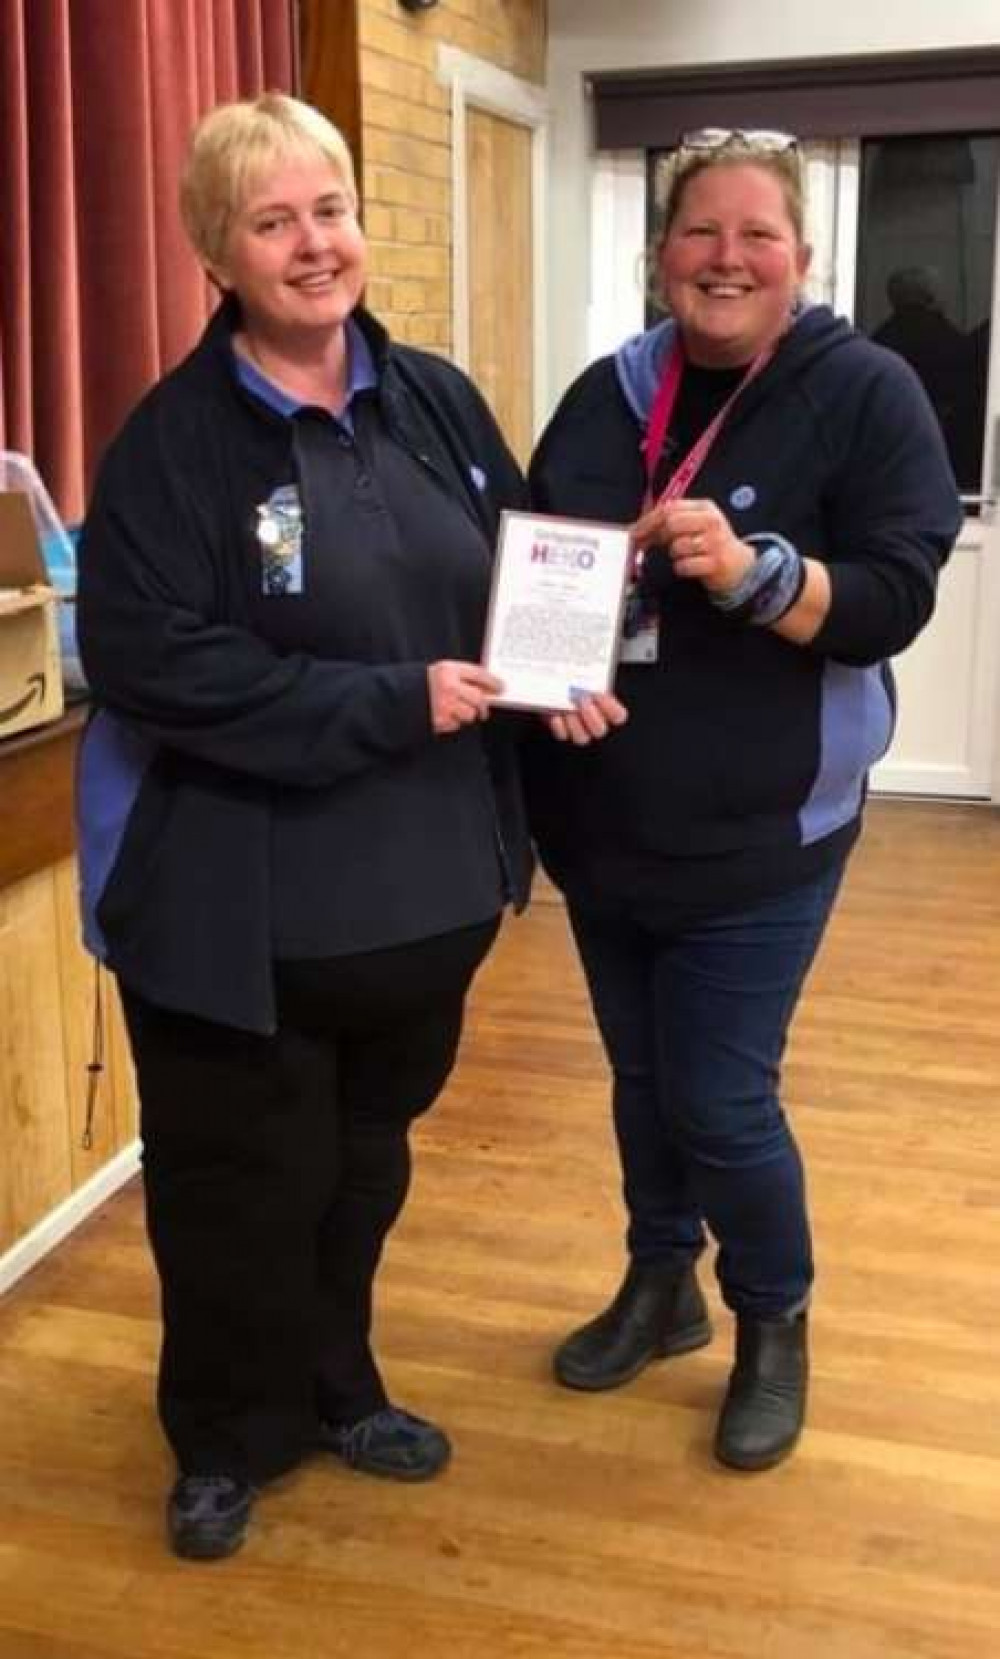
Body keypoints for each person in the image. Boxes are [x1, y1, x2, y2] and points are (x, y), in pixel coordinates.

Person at [75, 93, 531, 1560]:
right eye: (272, 221)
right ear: (219, 252)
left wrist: (573, 658)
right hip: (241, 920)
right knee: (232, 1195)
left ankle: (341, 1387)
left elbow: (522, 574)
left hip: (423, 903)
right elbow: (155, 658)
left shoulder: (438, 401)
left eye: (328, 208)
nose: (314, 242)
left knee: (363, 1170)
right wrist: (390, 702)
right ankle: (223, 1434)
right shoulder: (175, 444)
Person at [523, 128, 961, 1472]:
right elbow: (546, 568)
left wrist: (760, 572)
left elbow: (897, 593)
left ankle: (773, 1321)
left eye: (755, 234)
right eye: (700, 233)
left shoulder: (863, 392)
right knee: (645, 1082)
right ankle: (662, 1289)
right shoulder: (609, 395)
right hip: (601, 826)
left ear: (802, 258)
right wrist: (542, 677)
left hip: (769, 837)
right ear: (660, 258)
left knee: (721, 1099)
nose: (727, 258)